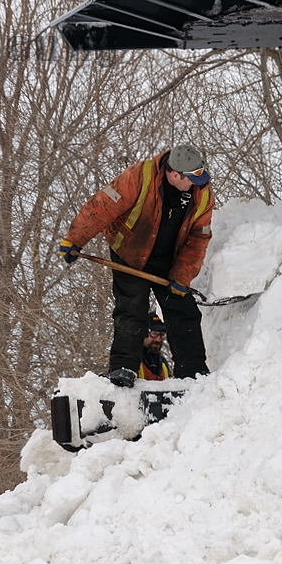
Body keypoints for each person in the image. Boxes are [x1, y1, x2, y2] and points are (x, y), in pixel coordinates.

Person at [58, 144, 214, 387]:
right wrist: (75, 239)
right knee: (132, 308)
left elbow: (198, 237)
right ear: (175, 175)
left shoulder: (202, 193)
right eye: (192, 179)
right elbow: (102, 206)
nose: (197, 183)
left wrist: (182, 276)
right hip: (131, 252)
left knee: (183, 310)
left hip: (170, 256)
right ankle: (123, 368)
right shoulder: (139, 177)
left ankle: (193, 372)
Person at [138, 314, 171, 381]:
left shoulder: (164, 365)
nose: (158, 339)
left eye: (162, 334)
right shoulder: (131, 362)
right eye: (154, 333)